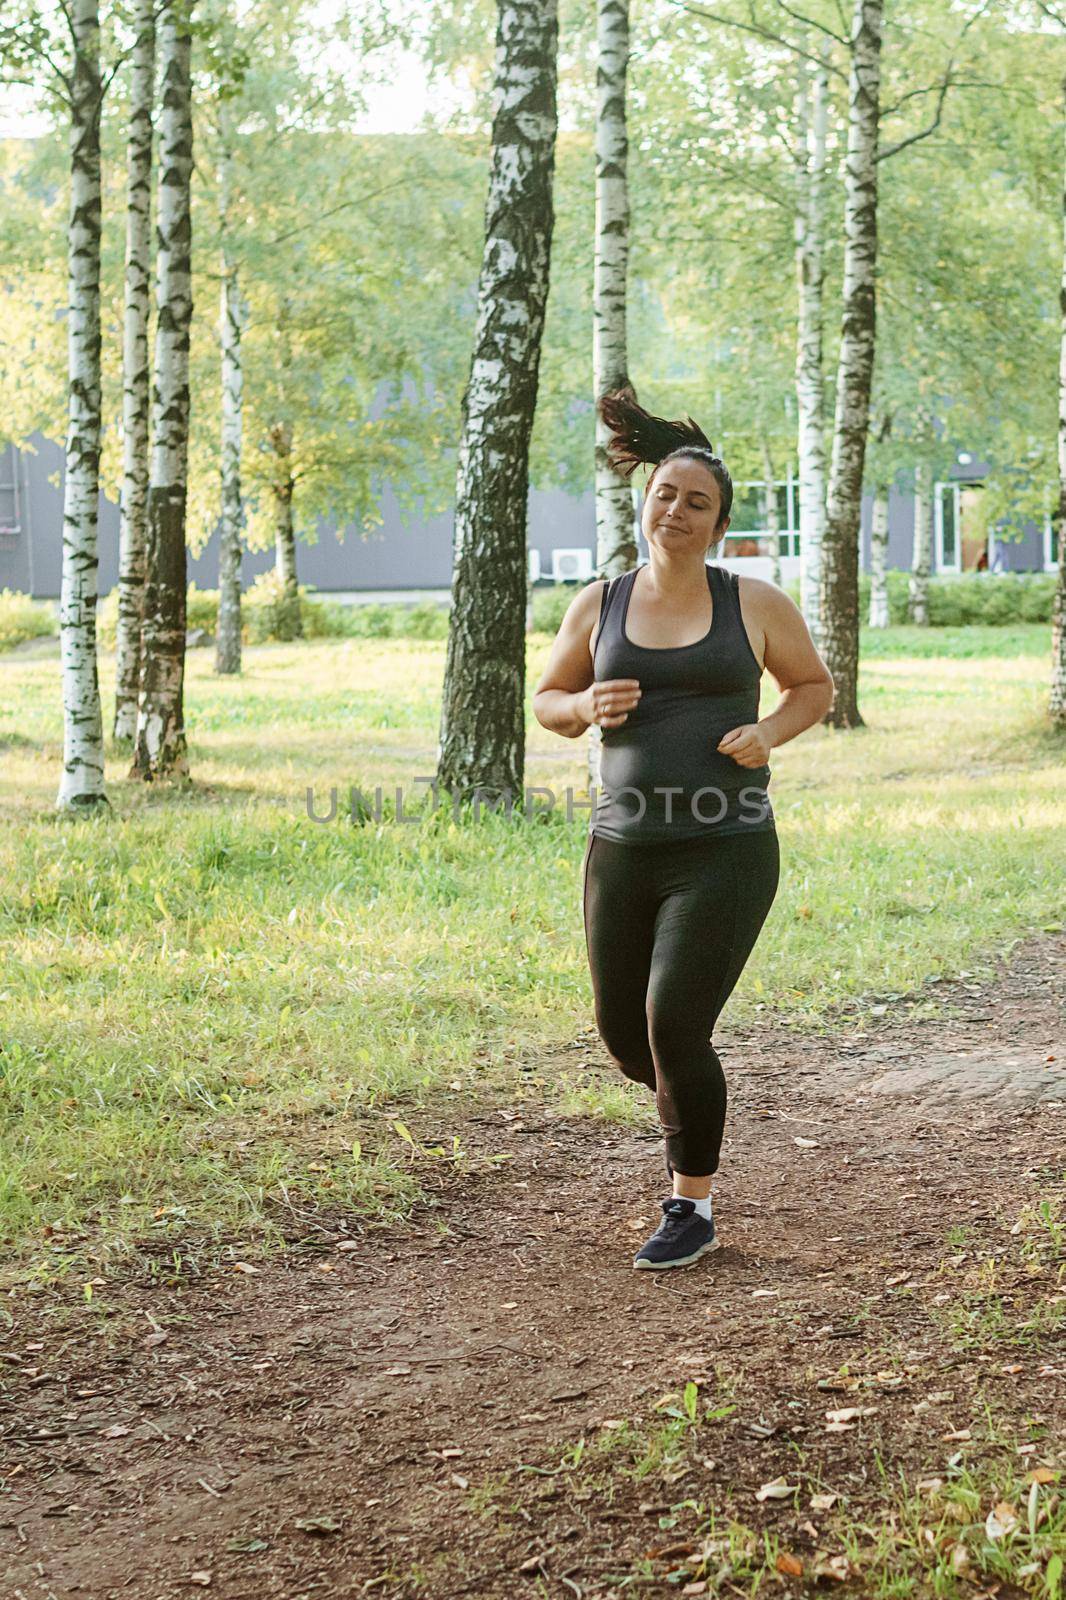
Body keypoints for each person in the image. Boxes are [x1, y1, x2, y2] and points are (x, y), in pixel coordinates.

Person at [532, 390, 835, 1270]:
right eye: (666, 493)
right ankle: (692, 1100)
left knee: (672, 1024)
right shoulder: (600, 603)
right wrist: (585, 703)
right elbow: (547, 701)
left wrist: (767, 733)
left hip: (726, 845)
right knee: (627, 1039)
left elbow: (813, 687)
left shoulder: (754, 602)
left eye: (696, 502)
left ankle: (689, 1203)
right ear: (646, 500)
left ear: (719, 523)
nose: (676, 510)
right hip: (621, 848)